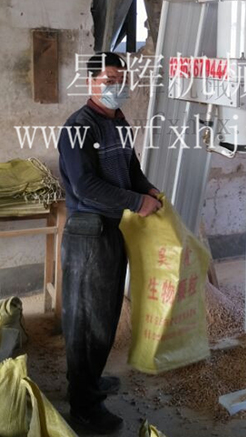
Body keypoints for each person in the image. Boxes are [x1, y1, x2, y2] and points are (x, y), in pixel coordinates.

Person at [58, 51, 161, 434]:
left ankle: (90, 380)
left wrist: (148, 189)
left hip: (114, 230)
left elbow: (131, 169)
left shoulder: (118, 123)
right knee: (86, 322)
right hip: (88, 234)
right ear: (90, 83)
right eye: (108, 80)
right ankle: (83, 407)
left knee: (104, 315)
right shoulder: (78, 128)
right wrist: (136, 202)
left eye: (121, 80)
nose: (116, 86)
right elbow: (86, 186)